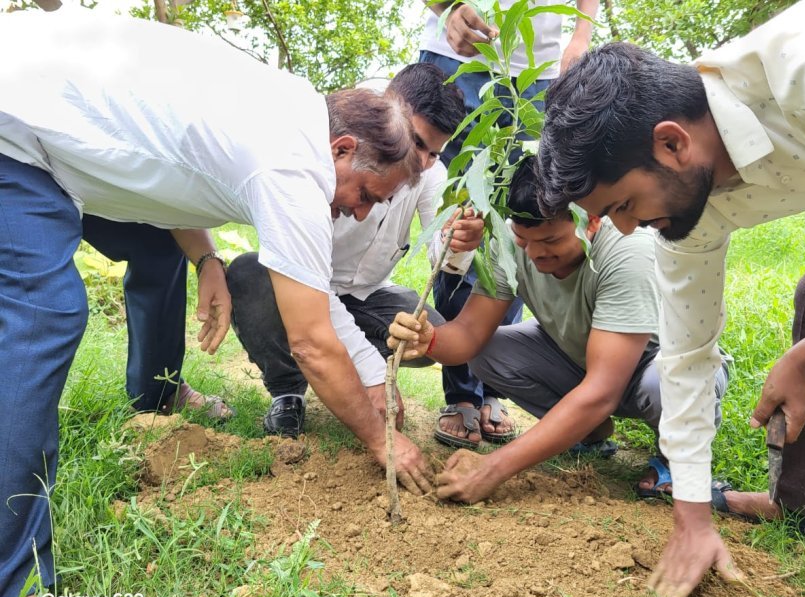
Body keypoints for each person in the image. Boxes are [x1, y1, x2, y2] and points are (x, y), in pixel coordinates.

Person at [0, 9, 425, 597]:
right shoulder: (293, 162)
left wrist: (206, 261)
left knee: (141, 263)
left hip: (41, 124)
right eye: (366, 192)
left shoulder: (282, 110)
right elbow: (310, 339)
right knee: (45, 314)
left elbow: (166, 172)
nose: (357, 210)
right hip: (16, 126)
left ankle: (151, 399)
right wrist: (381, 439)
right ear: (340, 149)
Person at [536, 0, 805, 597]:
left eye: (621, 206)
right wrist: (692, 516)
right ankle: (801, 500)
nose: (627, 231)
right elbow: (687, 358)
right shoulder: (685, 208)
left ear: (671, 143)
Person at [387, 158, 730, 499]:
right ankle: (589, 431)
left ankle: (673, 458)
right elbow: (469, 334)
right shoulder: (511, 244)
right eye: (524, 240)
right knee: (488, 354)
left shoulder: (627, 254)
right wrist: (428, 338)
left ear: (591, 222)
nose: (535, 254)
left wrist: (492, 468)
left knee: (666, 384)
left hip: (656, 363)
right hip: (580, 358)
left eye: (551, 241)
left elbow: (602, 391)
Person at [227, 62, 483, 437]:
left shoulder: (430, 176)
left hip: (365, 297)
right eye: (416, 144)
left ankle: (337, 371)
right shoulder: (326, 163)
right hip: (306, 292)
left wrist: (459, 242)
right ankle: (288, 390)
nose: (422, 164)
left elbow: (440, 251)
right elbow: (314, 291)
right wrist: (373, 376)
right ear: (387, 113)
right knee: (249, 274)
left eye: (433, 153)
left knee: (432, 332)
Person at [418, 0, 601, 445]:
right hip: (459, 57)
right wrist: (450, 6)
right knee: (466, 220)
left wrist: (581, 34)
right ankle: (462, 393)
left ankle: (491, 392)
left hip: (540, 73)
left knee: (520, 221)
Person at [81, 215, 234, 420]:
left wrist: (208, 261)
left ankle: (160, 392)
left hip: (112, 187)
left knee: (158, 231)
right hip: (42, 188)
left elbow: (168, 205)